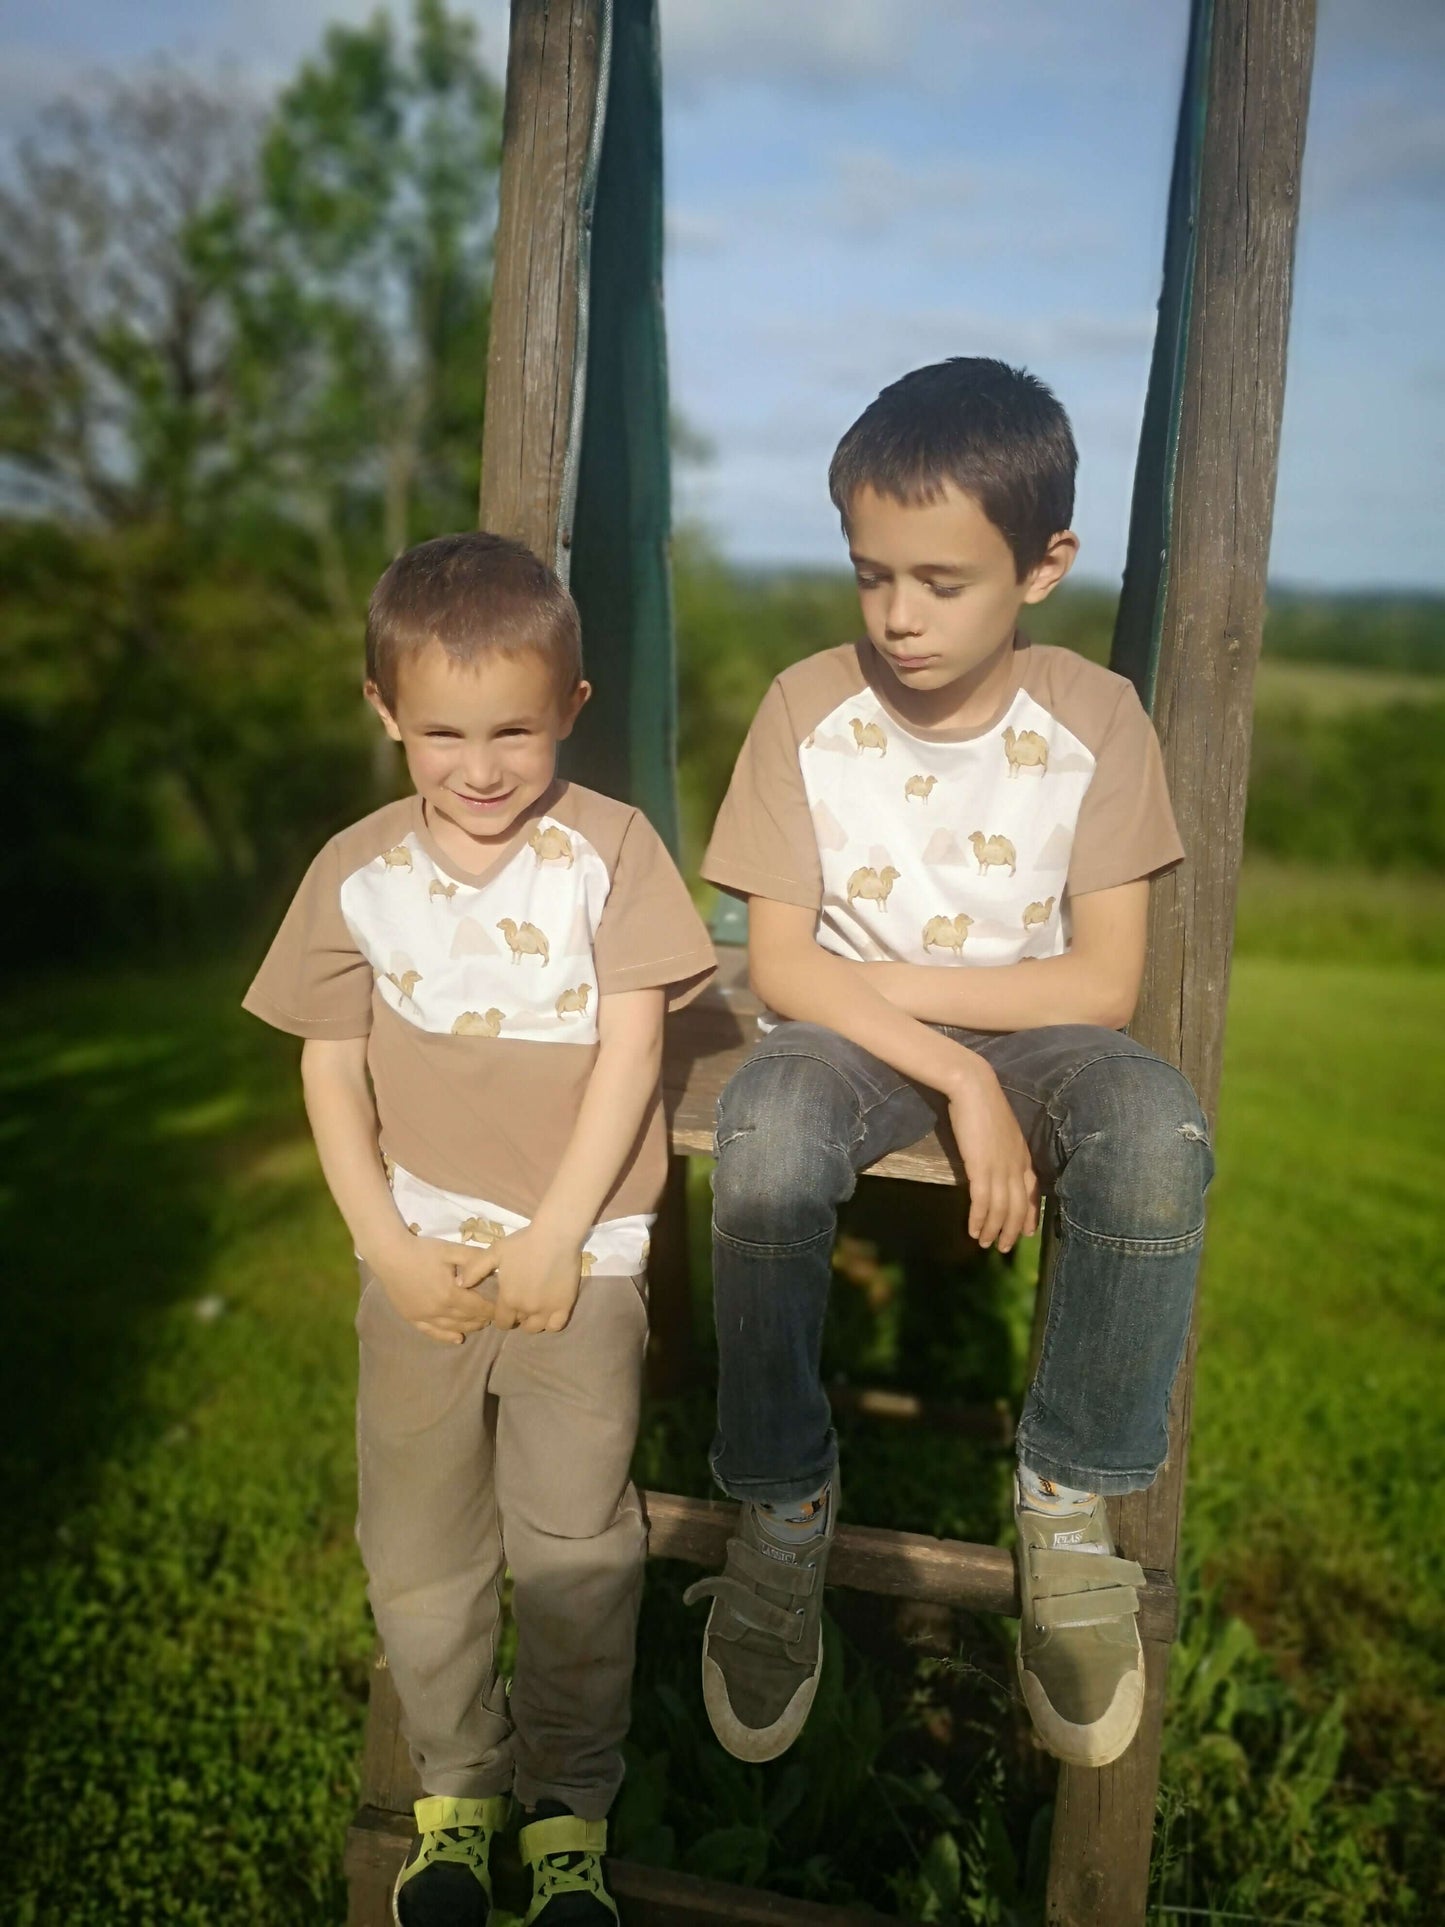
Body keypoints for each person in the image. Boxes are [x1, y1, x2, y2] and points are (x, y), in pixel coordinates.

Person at [684, 357, 1213, 1773]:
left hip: (1050, 1043)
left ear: (1043, 566)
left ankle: (1065, 1497)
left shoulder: (1091, 720)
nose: (896, 618)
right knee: (768, 1128)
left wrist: (984, 1054)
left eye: (939, 580)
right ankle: (783, 1503)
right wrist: (956, 1073)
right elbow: (781, 972)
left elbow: (1101, 984)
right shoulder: (807, 708)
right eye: (869, 576)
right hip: (842, 1048)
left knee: (1154, 1134)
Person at [243, 532, 714, 1927]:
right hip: (420, 1263)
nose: (479, 764)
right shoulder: (355, 872)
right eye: (441, 732)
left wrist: (559, 1234)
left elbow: (632, 1056)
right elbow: (329, 1068)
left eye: (514, 727)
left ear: (571, 705)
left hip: (579, 1260)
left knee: (573, 1543)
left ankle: (568, 1807)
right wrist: (384, 1246)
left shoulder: (609, 853)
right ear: (384, 713)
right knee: (421, 1547)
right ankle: (456, 1793)